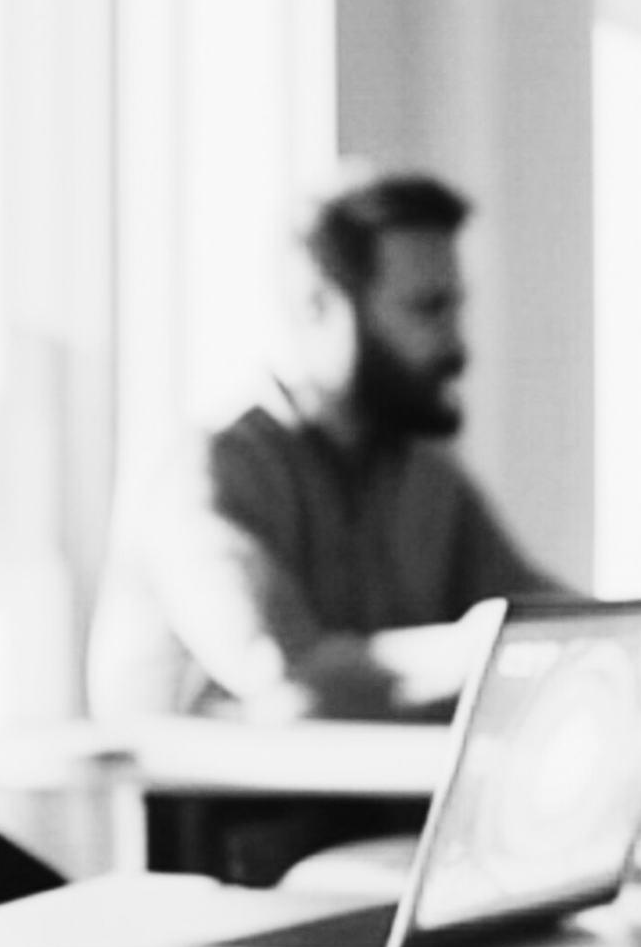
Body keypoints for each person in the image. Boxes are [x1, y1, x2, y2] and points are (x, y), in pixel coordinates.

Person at [90, 164, 570, 723]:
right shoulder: (212, 469)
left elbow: (544, 615)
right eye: (427, 309)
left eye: (456, 307)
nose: (456, 345)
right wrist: (479, 649)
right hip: (242, 808)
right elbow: (283, 673)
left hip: (389, 806)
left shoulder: (425, 477)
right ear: (316, 306)